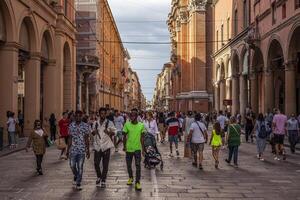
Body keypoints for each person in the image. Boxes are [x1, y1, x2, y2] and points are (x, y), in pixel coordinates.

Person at [91, 107, 116, 188]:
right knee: (96, 163)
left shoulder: (110, 122)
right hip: (97, 146)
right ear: (99, 114)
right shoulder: (95, 123)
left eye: (104, 113)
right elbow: (92, 133)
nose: (103, 115)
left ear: (106, 114)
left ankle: (103, 179)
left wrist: (108, 131)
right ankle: (99, 176)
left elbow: (115, 132)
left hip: (106, 146)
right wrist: (94, 132)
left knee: (105, 165)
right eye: (101, 113)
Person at [66, 111, 91, 190]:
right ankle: (76, 176)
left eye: (79, 116)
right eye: (76, 116)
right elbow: (70, 138)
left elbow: (86, 139)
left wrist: (88, 150)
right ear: (74, 117)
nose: (78, 117)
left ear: (82, 117)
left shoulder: (85, 126)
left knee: (80, 167)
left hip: (81, 149)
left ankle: (78, 183)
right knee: (72, 165)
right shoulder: (71, 125)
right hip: (73, 149)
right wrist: (67, 150)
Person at [123, 108, 145, 191]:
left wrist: (143, 149)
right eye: (130, 115)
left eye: (133, 115)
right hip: (128, 149)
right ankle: (130, 177)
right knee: (128, 165)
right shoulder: (127, 124)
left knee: (138, 165)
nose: (131, 117)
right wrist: (124, 146)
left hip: (137, 149)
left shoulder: (141, 125)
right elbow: (124, 136)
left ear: (137, 116)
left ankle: (137, 182)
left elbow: (142, 138)